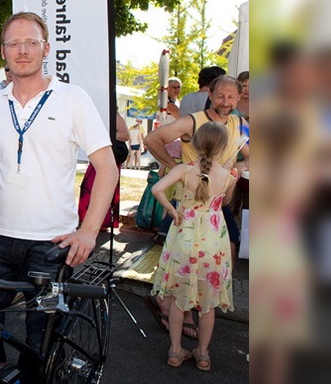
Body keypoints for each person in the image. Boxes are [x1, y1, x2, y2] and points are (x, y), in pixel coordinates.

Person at [0, 11, 117, 382]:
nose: (22, 51)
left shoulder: (72, 99)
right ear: (3, 52)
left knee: (43, 339)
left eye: (30, 43)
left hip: (51, 243)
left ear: (46, 49)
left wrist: (88, 232)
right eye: (13, 44)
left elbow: (109, 168)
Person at [143, 75, 249, 340]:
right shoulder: (192, 121)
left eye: (231, 97)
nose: (226, 102)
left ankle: (195, 302)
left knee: (227, 245)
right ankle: (178, 308)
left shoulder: (240, 123)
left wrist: (239, 169)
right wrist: (176, 167)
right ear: (210, 95)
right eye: (221, 96)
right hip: (190, 203)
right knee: (181, 258)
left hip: (216, 199)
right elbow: (152, 139)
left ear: (238, 98)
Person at [150, 121, 238, 371]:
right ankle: (202, 353)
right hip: (213, 243)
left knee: (180, 299)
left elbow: (158, 189)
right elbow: (225, 204)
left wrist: (172, 211)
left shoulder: (183, 170)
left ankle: (175, 350)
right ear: (223, 146)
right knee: (207, 303)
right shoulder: (227, 176)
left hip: (184, 240)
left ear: (196, 144)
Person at [78, 112, 130, 229]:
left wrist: (106, 134)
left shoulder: (115, 116)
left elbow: (125, 135)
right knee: (88, 187)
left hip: (110, 157)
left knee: (102, 187)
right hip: (97, 156)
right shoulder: (97, 114)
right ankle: (85, 218)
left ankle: (101, 222)